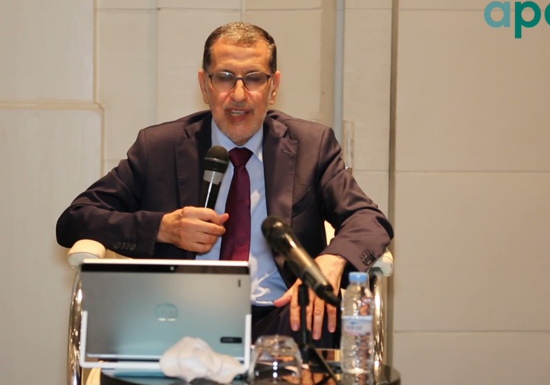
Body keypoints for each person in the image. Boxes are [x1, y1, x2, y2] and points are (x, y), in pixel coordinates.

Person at [56, 21, 393, 347]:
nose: (239, 95)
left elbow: (367, 219)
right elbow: (75, 218)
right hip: (181, 320)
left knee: (313, 332)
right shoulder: (159, 147)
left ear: (274, 86)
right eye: (225, 78)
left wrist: (332, 259)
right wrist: (163, 228)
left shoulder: (311, 145)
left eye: (254, 78)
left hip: (283, 318)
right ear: (205, 85)